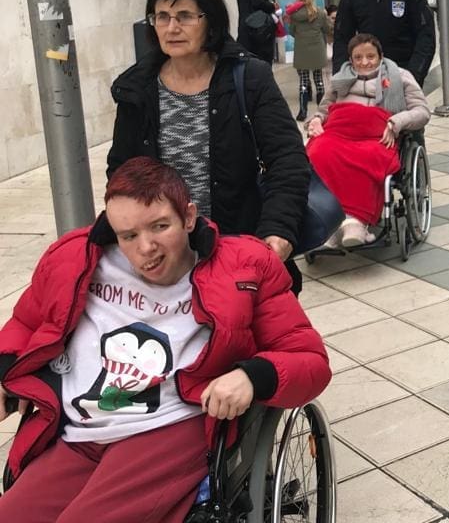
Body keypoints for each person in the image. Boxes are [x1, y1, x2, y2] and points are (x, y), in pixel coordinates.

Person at [0, 157, 330, 522]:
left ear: (188, 217)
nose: (146, 248)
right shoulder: (74, 257)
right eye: (128, 236)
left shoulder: (245, 265)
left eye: (160, 226)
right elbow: (24, 322)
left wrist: (251, 376)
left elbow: (309, 359)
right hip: (81, 429)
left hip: (168, 425)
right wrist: (5, 371)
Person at [108, 0, 309, 291]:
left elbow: (288, 160)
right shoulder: (137, 87)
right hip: (164, 263)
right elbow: (121, 171)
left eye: (185, 16)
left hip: (238, 252)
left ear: (210, 22)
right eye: (162, 17)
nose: (172, 28)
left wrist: (278, 229)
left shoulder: (249, 77)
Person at [307, 34, 430, 247]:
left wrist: (397, 121)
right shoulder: (339, 79)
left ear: (380, 56)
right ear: (350, 59)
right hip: (339, 130)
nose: (364, 62)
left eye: (370, 56)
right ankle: (328, 219)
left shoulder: (400, 76)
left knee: (369, 158)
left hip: (377, 134)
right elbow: (324, 109)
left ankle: (355, 221)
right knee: (317, 152)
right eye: (358, 57)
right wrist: (316, 120)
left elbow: (422, 111)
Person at [284, 0, 331, 122]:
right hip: (317, 49)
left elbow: (292, 31)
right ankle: (321, 112)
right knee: (319, 80)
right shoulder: (320, 13)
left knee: (303, 81)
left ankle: (302, 112)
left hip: (302, 49)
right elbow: (326, 29)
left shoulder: (294, 15)